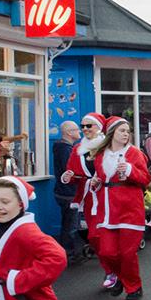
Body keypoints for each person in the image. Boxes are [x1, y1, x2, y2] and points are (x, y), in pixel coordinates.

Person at [89, 116, 150, 300]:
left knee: (127, 253)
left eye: (127, 131)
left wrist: (131, 170)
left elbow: (146, 179)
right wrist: (95, 182)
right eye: (122, 130)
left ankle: (134, 287)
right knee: (107, 252)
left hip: (129, 209)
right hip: (107, 211)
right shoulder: (100, 156)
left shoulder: (134, 153)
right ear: (111, 133)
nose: (126, 134)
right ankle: (122, 278)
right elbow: (100, 179)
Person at [61, 113, 113, 288]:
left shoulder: (109, 147)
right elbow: (73, 172)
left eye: (89, 126)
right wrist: (69, 176)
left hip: (108, 196)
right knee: (94, 237)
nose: (84, 129)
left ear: (99, 127)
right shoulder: (78, 149)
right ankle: (110, 270)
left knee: (108, 237)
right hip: (90, 199)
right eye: (82, 126)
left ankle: (118, 270)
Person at [53, 121, 82, 262]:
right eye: (77, 129)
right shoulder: (65, 150)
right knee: (70, 225)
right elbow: (70, 170)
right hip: (68, 192)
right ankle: (68, 254)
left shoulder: (63, 148)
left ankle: (68, 252)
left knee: (67, 223)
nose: (80, 132)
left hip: (63, 191)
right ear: (69, 132)